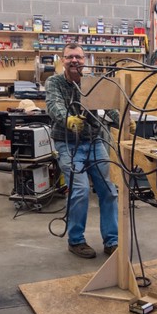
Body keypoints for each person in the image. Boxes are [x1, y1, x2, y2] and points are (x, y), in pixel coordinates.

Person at [45, 43, 118, 259]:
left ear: (85, 60)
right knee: (80, 190)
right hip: (67, 142)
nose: (74, 60)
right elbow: (53, 105)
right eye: (70, 57)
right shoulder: (54, 82)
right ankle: (76, 240)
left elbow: (109, 104)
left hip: (94, 140)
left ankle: (112, 241)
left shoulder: (91, 82)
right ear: (62, 60)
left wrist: (123, 119)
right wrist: (67, 119)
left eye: (78, 57)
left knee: (109, 190)